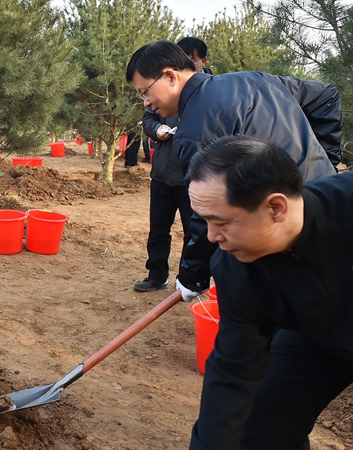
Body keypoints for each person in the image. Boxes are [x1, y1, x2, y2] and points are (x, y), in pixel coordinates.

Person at [125, 40, 342, 301]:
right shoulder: (253, 79)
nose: (146, 103)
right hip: (325, 210)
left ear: (170, 76)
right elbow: (326, 96)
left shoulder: (195, 131)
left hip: (272, 236)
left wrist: (192, 275)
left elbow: (206, 215)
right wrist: (322, 160)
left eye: (145, 92)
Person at [184, 135, 353, 450]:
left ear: (276, 208)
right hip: (315, 335)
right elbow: (234, 370)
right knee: (264, 425)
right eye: (204, 220)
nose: (210, 236)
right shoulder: (235, 266)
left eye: (220, 222)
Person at [133, 107, 191, 291]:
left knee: (194, 232)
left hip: (193, 176)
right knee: (158, 228)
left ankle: (187, 280)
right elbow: (149, 118)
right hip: (162, 173)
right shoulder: (162, 91)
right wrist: (156, 129)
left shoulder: (205, 91)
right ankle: (157, 275)